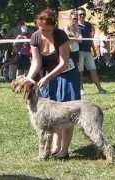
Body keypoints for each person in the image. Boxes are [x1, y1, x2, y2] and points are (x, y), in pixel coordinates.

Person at [25, 8, 81, 158]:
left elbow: (63, 63)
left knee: (68, 112)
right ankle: (55, 146)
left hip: (67, 74)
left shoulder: (60, 35)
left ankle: (64, 150)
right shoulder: (35, 37)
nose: (43, 32)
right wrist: (29, 79)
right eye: (40, 28)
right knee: (54, 114)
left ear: (53, 26)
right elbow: (36, 62)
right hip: (49, 76)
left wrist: (47, 78)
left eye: (46, 29)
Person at [77, 7, 106, 95]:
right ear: (77, 15)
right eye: (80, 14)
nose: (82, 16)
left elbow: (90, 39)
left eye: (83, 14)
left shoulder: (89, 25)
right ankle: (81, 89)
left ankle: (100, 89)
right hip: (79, 51)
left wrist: (94, 50)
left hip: (88, 51)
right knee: (80, 71)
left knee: (93, 70)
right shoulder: (75, 26)